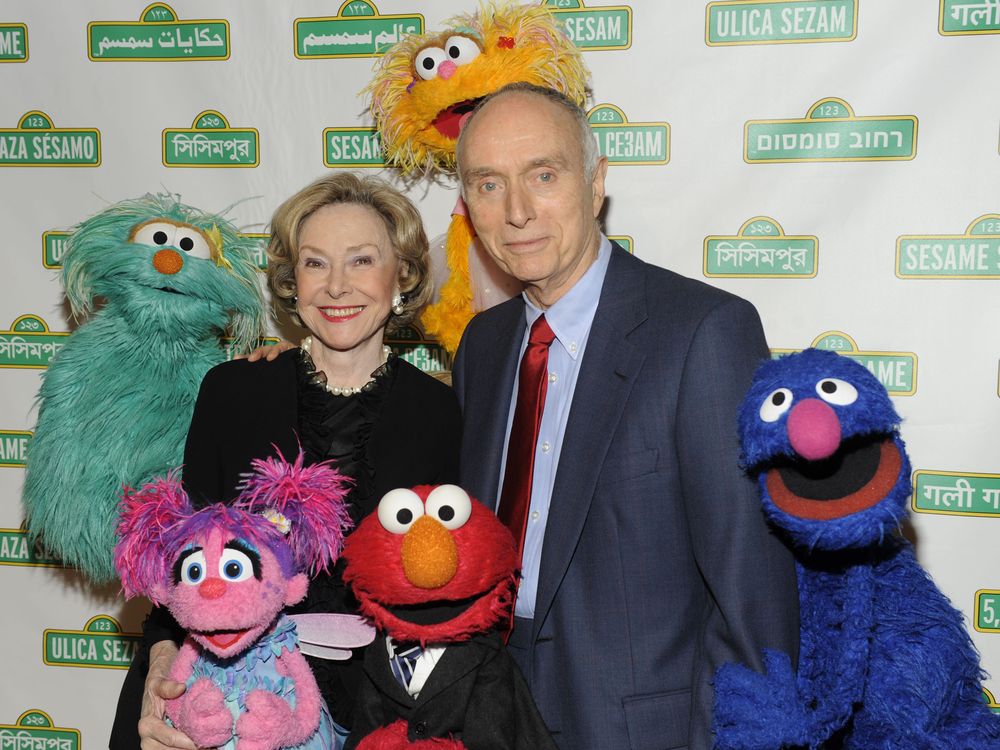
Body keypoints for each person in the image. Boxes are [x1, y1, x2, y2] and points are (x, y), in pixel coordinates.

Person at [449, 82, 800, 749]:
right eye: (489, 185)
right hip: (487, 713)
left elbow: (750, 593)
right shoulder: (483, 346)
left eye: (543, 176)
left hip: (643, 728)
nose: (518, 211)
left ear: (596, 182)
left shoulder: (704, 332)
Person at [110, 172, 462, 750]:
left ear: (401, 275)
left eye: (361, 260)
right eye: (316, 263)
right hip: (229, 697)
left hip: (382, 714)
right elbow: (182, 560)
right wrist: (162, 665)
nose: (336, 286)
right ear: (292, 282)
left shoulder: (441, 411)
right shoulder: (234, 391)